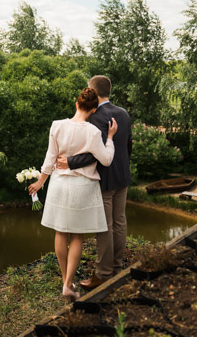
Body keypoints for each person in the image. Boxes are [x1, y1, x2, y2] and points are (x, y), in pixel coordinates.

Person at [27, 87, 117, 301]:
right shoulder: (94, 132)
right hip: (83, 187)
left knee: (60, 231)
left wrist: (40, 182)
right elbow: (105, 160)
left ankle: (65, 280)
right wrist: (110, 138)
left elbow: (50, 158)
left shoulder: (57, 126)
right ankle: (68, 284)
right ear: (94, 110)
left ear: (76, 104)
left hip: (59, 184)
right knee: (77, 235)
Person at [56, 75, 132, 290]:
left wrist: (70, 162)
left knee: (104, 227)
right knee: (119, 222)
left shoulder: (97, 116)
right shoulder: (124, 113)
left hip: (106, 178)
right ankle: (117, 266)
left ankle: (103, 273)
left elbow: (94, 153)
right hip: (123, 176)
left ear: (93, 91)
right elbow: (128, 145)